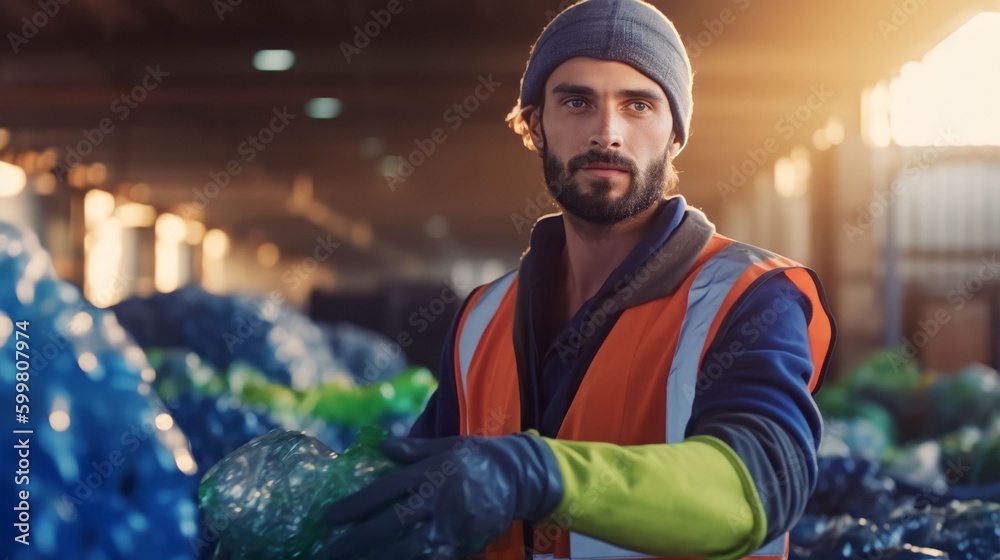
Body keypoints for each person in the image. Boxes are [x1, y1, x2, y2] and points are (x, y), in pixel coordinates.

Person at [325, 1, 836, 559]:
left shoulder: (749, 296)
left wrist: (539, 474)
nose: (607, 133)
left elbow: (756, 486)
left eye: (638, 104)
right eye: (576, 101)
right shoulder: (481, 318)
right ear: (536, 125)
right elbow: (419, 489)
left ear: (675, 136)